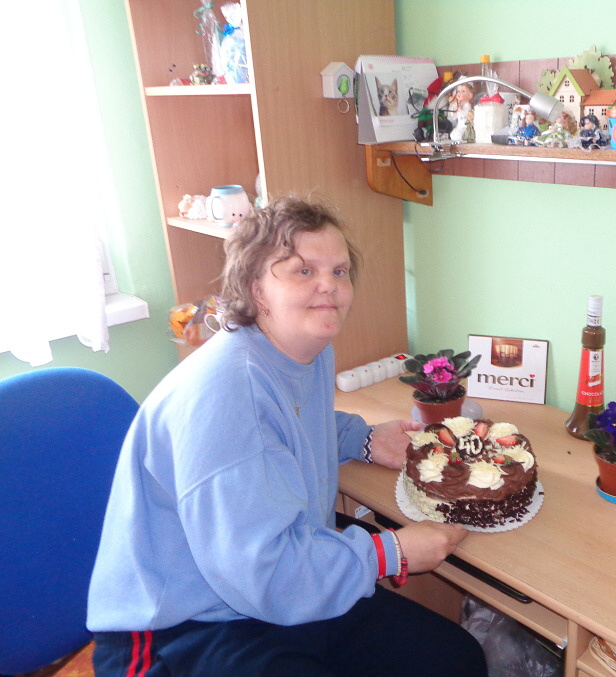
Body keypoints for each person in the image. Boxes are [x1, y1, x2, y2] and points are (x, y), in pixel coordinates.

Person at [87, 195, 488, 677]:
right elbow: (266, 572)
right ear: (256, 289)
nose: (329, 286)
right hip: (186, 624)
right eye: (304, 271)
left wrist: (361, 439)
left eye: (339, 271)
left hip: (272, 582)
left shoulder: (302, 349)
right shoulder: (229, 393)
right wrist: (392, 552)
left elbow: (287, 427)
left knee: (454, 659)